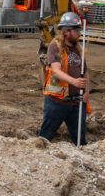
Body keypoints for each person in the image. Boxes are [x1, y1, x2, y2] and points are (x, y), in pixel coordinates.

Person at [38, 11, 89, 146]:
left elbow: (85, 71)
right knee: (45, 138)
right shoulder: (55, 46)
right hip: (57, 102)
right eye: (76, 30)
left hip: (76, 102)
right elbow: (56, 71)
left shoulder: (79, 48)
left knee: (80, 140)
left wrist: (86, 91)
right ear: (66, 32)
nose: (79, 33)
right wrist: (74, 82)